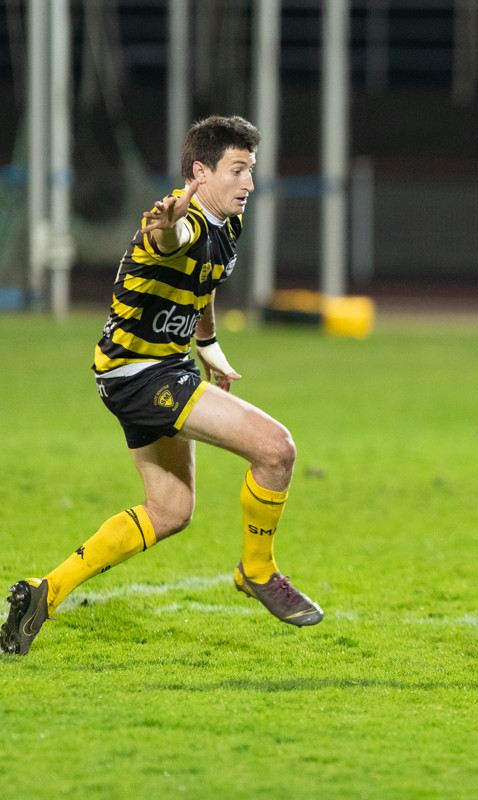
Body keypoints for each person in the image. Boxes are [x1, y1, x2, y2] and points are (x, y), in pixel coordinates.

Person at [1, 115, 322, 656]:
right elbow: (169, 239)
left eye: (252, 170)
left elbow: (204, 284)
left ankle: (42, 592)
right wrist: (167, 224)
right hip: (141, 375)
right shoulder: (182, 220)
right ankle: (257, 570)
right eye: (237, 170)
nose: (249, 183)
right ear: (201, 172)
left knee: (171, 511)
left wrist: (210, 345)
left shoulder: (228, 225)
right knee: (277, 450)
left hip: (152, 370)